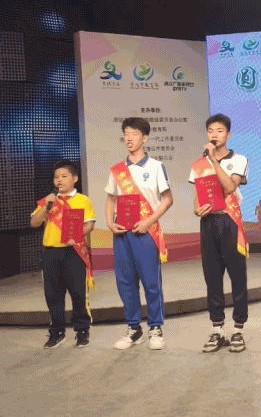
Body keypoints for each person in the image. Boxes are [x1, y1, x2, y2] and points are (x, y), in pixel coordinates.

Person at [105, 117, 172, 350]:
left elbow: (167, 199)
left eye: (134, 133)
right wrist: (109, 223)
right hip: (122, 233)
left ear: (144, 138)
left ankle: (156, 327)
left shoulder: (155, 166)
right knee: (125, 282)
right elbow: (110, 199)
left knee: (151, 282)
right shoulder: (117, 170)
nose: (129, 138)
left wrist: (148, 221)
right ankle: (134, 328)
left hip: (146, 232)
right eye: (126, 133)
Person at [189, 113, 249, 353]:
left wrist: (214, 161)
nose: (214, 135)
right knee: (212, 278)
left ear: (228, 135)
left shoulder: (239, 159)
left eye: (220, 130)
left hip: (230, 222)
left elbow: (230, 186)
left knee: (237, 277)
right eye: (211, 131)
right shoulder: (198, 164)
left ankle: (238, 330)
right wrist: (196, 209)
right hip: (209, 223)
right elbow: (198, 195)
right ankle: (217, 330)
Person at [30, 161, 96, 348]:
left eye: (64, 176)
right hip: (51, 253)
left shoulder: (83, 200)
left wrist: (77, 235)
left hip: (73, 252)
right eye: (56, 177)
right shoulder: (49, 200)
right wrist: (46, 206)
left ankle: (82, 331)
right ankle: (57, 332)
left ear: (75, 178)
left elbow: (90, 224)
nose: (59, 180)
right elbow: (34, 223)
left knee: (78, 294)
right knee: (53, 295)